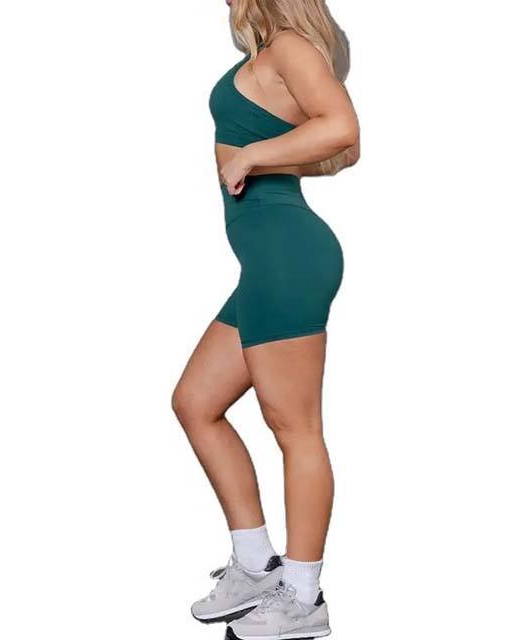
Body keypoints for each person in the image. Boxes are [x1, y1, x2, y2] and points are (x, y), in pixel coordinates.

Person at [172, 1, 359, 637]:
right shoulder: (268, 54)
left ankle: (303, 597)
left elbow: (343, 130)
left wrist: (252, 156)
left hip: (288, 255)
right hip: (266, 260)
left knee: (295, 427)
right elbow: (336, 149)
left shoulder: (289, 48)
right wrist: (264, 156)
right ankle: (255, 566)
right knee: (196, 402)